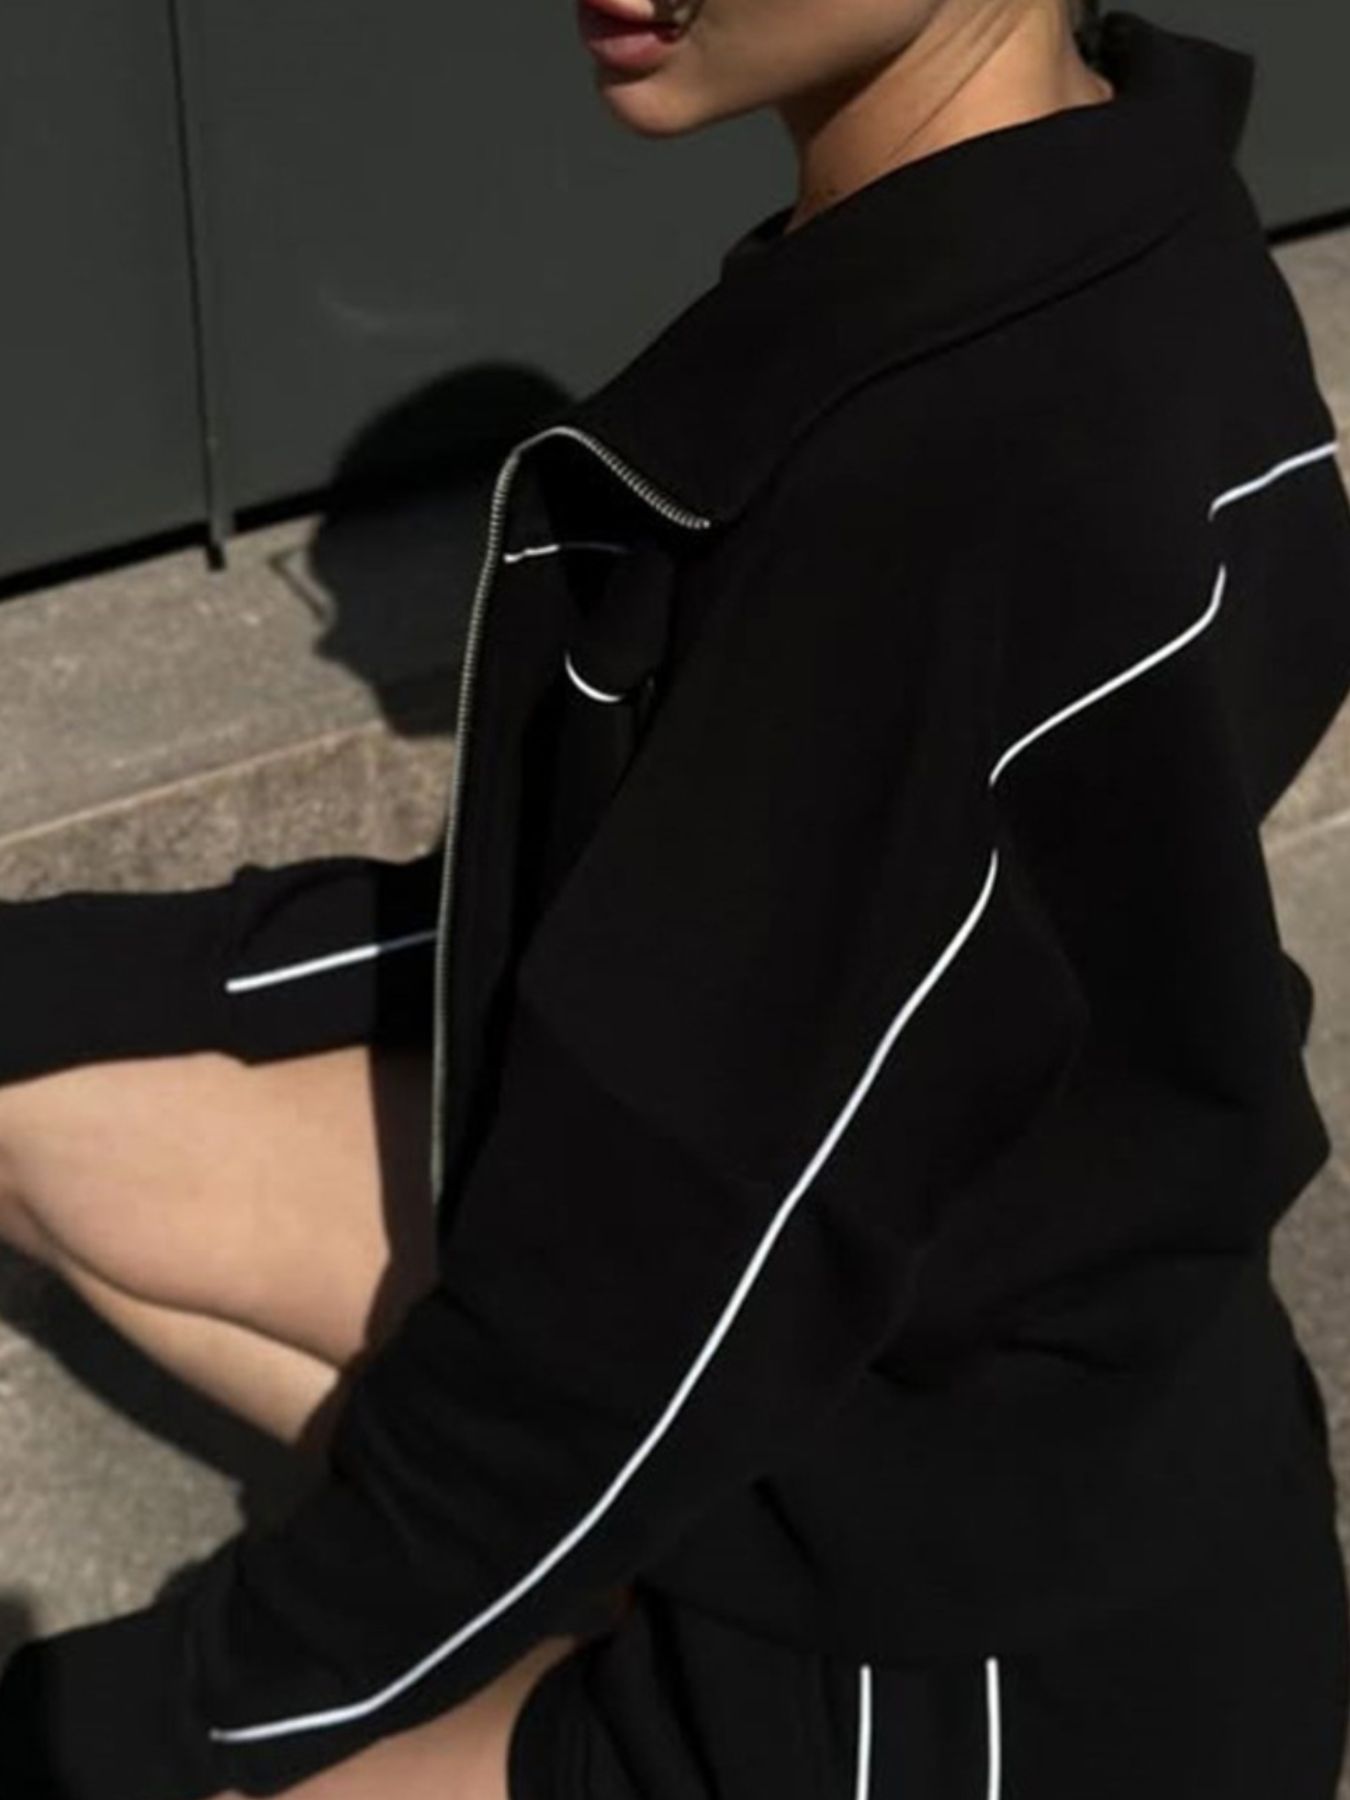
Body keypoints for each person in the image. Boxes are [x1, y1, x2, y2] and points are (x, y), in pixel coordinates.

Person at [2, 1, 1349, 1796]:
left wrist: (144, 1721)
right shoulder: (1113, 215)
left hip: (954, 1690)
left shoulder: (947, 477)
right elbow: (624, 921)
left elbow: (621, 1298)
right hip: (1033, 1422)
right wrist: (81, 970)